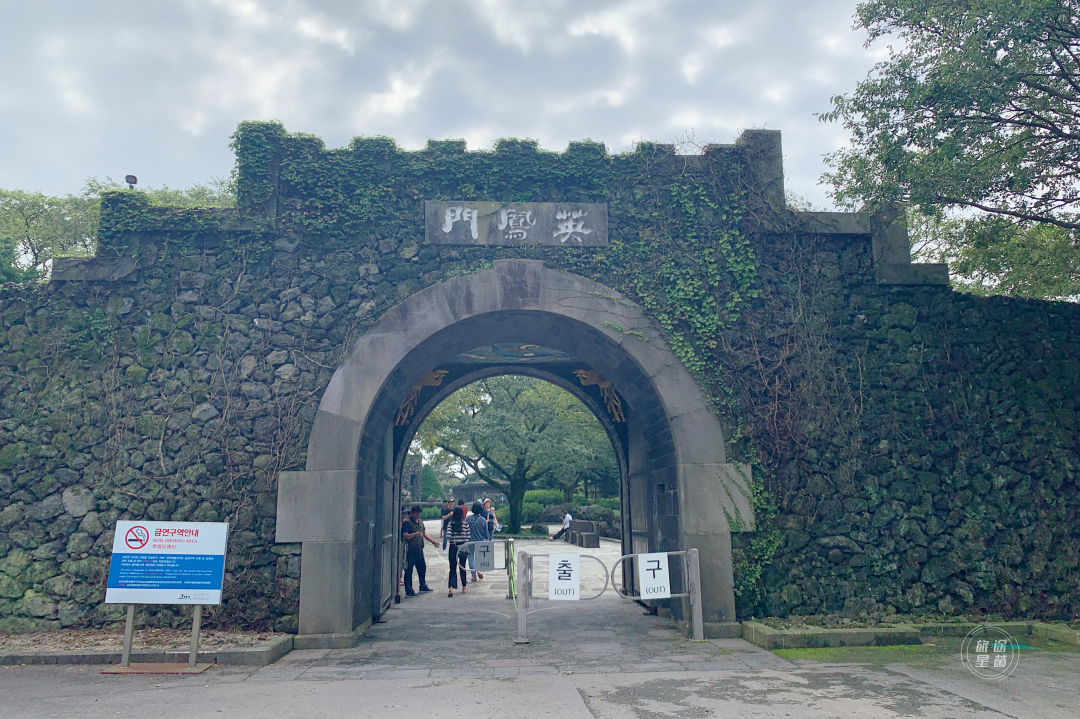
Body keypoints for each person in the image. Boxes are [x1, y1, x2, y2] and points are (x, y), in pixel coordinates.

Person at [400, 504, 438, 596]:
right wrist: (414, 534)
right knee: (409, 570)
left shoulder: (420, 522)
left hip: (419, 549)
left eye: (419, 514)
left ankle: (423, 585)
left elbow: (424, 533)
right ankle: (409, 590)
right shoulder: (407, 523)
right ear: (412, 513)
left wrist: (433, 542)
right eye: (416, 513)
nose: (418, 515)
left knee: (422, 568)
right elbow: (404, 535)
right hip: (410, 550)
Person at [445, 506, 470, 597]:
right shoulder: (465, 523)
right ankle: (464, 586)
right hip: (463, 546)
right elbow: (468, 536)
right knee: (462, 566)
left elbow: (448, 536)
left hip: (453, 546)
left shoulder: (450, 524)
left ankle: (451, 588)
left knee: (452, 567)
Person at [466, 501, 489, 582]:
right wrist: (487, 539)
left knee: (471, 557)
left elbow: (465, 529)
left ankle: (474, 575)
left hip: (470, 541)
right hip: (480, 541)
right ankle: (479, 570)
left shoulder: (468, 519)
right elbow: (486, 532)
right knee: (479, 557)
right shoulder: (483, 520)